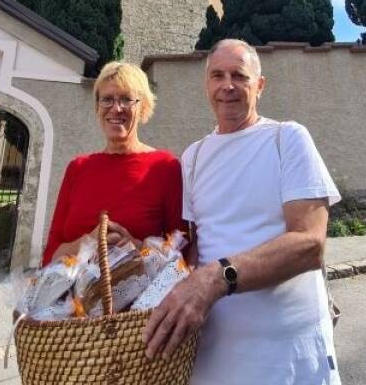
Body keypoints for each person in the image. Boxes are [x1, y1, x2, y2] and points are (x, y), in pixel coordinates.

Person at [143, 39, 342, 384]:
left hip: (288, 355)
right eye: (217, 76)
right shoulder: (193, 156)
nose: (227, 86)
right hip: (212, 354)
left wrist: (216, 278)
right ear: (207, 85)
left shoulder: (287, 139)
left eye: (239, 75)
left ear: (260, 86)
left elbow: (310, 244)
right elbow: (193, 247)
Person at [42, 61, 185, 264]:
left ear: (143, 107)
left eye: (127, 99)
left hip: (140, 294)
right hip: (75, 296)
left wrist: (136, 247)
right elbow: (50, 255)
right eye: (107, 99)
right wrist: (91, 241)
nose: (116, 109)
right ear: (97, 108)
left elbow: (181, 254)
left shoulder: (165, 167)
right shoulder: (77, 168)